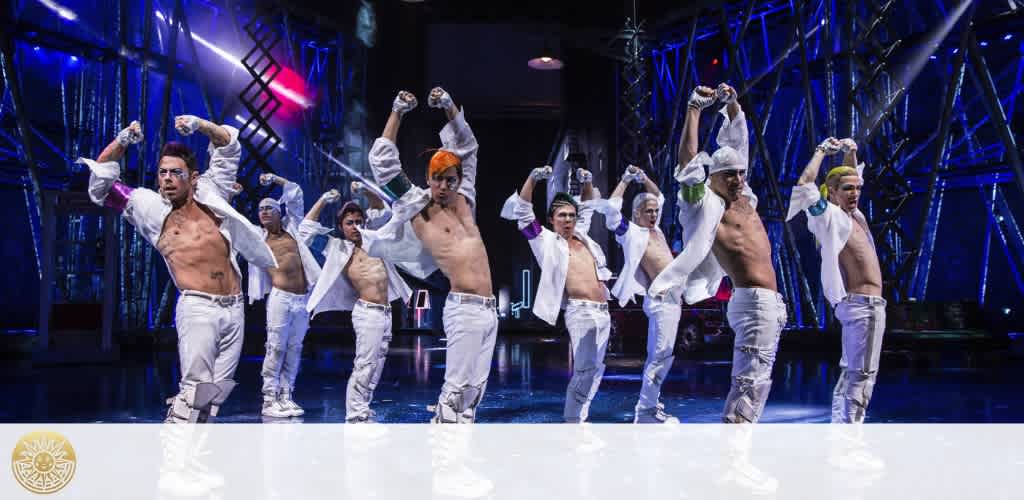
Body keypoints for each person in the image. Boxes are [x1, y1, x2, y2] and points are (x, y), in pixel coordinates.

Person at [81, 115, 276, 422]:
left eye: (175, 172)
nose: (167, 178)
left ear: (193, 177)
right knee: (196, 391)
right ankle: (178, 457)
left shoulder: (213, 192)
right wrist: (124, 139)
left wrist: (199, 124)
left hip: (234, 306)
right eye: (162, 173)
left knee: (218, 392)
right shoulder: (148, 206)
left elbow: (228, 145)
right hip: (198, 307)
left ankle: (194, 455)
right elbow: (101, 184)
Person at [649, 84, 786, 423]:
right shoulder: (706, 204)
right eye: (730, 175)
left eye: (740, 173)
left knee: (756, 384)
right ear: (714, 178)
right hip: (753, 302)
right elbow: (687, 165)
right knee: (748, 386)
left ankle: (735, 458)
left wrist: (734, 103)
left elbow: (739, 143)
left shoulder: (745, 197)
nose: (739, 178)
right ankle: (732, 463)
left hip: (768, 302)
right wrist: (694, 109)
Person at [365, 87, 496, 423]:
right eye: (437, 180)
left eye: (450, 180)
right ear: (428, 179)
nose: (444, 186)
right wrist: (397, 112)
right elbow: (383, 165)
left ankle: (459, 465)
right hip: (463, 309)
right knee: (454, 395)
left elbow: (467, 146)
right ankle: (442, 459)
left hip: (488, 310)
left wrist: (450, 105)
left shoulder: (467, 200)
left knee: (472, 396)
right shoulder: (417, 206)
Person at [501, 166, 612, 422]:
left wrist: (588, 180)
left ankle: (580, 415)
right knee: (585, 368)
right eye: (562, 215)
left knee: (596, 370)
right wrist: (533, 178)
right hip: (580, 311)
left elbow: (587, 207)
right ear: (552, 219)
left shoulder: (583, 238)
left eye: (571, 216)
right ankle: (572, 420)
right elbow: (524, 214)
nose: (568, 220)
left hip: (603, 311)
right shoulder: (546, 241)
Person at [787, 137, 884, 423]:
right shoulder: (827, 216)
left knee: (854, 373)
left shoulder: (855, 216)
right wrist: (819, 152)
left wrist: (851, 152)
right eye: (847, 189)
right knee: (861, 375)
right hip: (861, 305)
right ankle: (849, 439)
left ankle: (841, 430)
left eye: (857, 188)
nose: (855, 193)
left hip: (867, 305)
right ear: (831, 192)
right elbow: (805, 187)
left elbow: (852, 176)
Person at [298, 182, 413, 422]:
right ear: (341, 226)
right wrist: (323, 199)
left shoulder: (376, 241)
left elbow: (381, 211)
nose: (355, 226)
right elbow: (305, 232)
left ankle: (363, 407)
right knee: (366, 363)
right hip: (366, 312)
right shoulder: (338, 248)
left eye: (359, 221)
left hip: (386, 312)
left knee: (378, 363)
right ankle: (355, 413)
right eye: (349, 223)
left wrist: (365, 191)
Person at [596, 165, 680, 423]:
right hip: (660, 301)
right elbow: (611, 211)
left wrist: (645, 179)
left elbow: (660, 196)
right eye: (648, 211)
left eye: (655, 211)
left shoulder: (657, 230)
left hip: (673, 300)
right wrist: (625, 180)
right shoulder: (632, 232)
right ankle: (645, 411)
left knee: (664, 356)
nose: (654, 214)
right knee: (659, 356)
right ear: (636, 214)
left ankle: (651, 404)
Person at [248, 173, 322, 418]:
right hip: (280, 298)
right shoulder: (259, 239)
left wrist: (275, 179)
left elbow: (296, 192)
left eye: (270, 207)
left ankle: (286, 394)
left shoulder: (293, 230)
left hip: (302, 300)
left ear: (280, 212)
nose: (265, 212)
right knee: (276, 347)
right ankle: (269, 398)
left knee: (295, 347)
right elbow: (232, 224)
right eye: (261, 209)